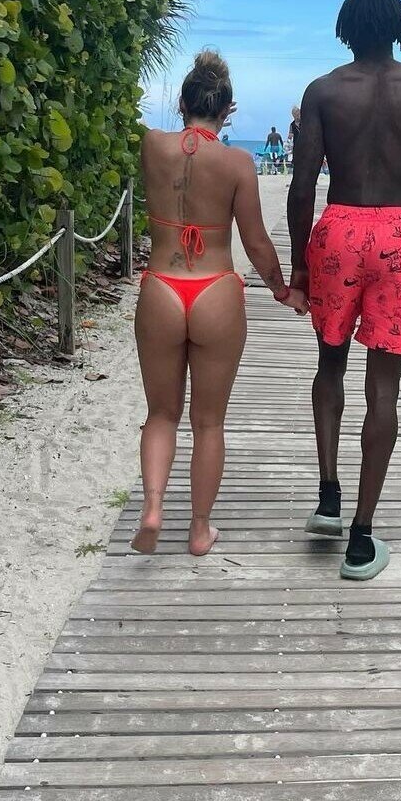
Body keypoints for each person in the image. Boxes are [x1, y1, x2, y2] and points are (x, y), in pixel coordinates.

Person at [287, 0, 401, 580]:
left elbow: (302, 185)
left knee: (330, 363)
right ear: (399, 29)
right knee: (384, 388)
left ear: (346, 31)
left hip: (338, 228)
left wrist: (301, 264)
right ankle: (361, 538)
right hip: (396, 231)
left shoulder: (324, 91)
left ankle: (328, 497)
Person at [134, 51, 307, 557]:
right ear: (228, 110)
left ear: (182, 101)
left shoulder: (152, 145)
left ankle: (152, 508)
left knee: (161, 414)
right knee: (208, 422)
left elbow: (177, 151)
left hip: (161, 286)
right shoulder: (237, 163)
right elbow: (255, 243)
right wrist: (283, 291)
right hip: (215, 290)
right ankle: (199, 529)